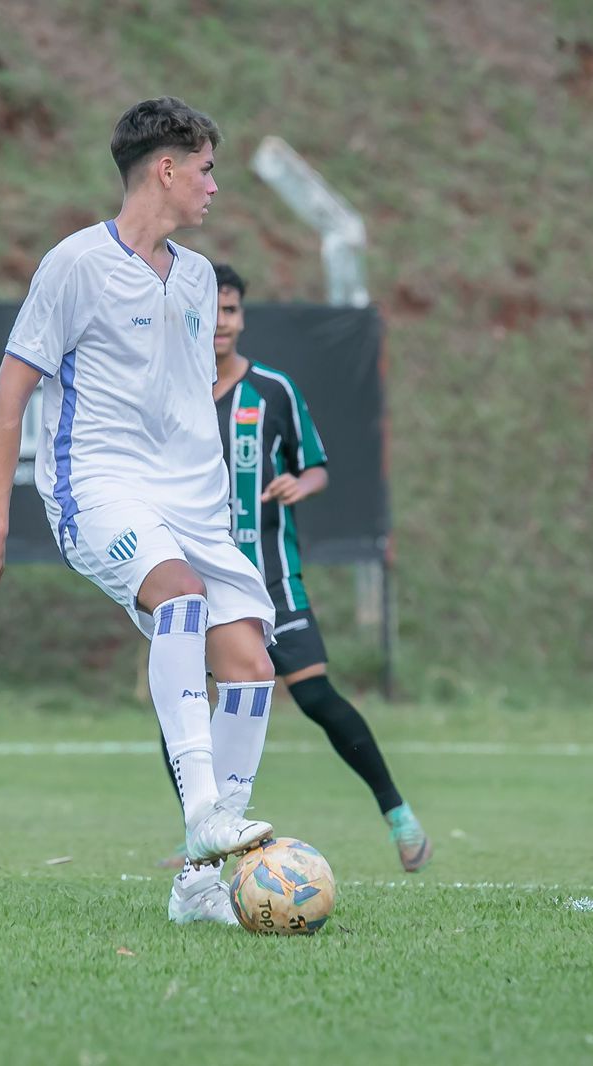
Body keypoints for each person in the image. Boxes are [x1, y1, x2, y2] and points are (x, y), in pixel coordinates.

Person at [0, 98, 276, 925]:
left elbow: (184, 397)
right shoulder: (73, 267)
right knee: (182, 598)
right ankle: (207, 816)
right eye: (204, 168)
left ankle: (199, 886)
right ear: (165, 169)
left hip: (194, 501)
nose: (213, 186)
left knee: (249, 664)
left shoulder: (197, 276)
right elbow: (8, 396)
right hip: (98, 486)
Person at [157, 264, 431, 872]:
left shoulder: (273, 391)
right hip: (196, 579)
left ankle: (398, 815)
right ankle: (202, 830)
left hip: (271, 578)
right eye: (211, 313)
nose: (220, 324)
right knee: (182, 704)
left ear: (242, 317)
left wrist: (300, 484)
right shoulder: (169, 391)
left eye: (231, 311)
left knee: (316, 696)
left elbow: (317, 465)